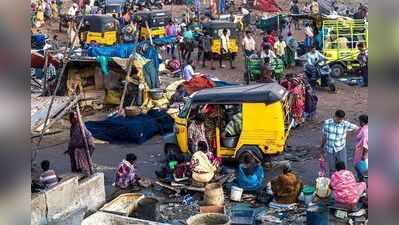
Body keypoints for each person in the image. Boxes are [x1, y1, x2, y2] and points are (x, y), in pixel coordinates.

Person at [321, 110, 359, 176]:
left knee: (343, 167)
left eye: (341, 119)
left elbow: (357, 128)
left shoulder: (345, 124)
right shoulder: (327, 123)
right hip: (330, 149)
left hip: (340, 148)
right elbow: (324, 135)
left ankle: (343, 182)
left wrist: (349, 135)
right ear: (335, 116)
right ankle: (334, 182)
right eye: (338, 119)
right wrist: (321, 146)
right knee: (332, 168)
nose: (339, 121)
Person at [66, 111, 95, 176]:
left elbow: (75, 139)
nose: (73, 120)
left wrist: (70, 147)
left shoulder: (79, 126)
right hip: (82, 144)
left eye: (74, 118)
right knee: (78, 157)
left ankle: (86, 173)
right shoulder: (73, 126)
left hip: (87, 144)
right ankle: (80, 171)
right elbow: (72, 138)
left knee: (83, 159)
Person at [354, 115, 368, 180]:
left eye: (359, 121)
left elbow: (365, 145)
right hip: (362, 151)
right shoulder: (365, 128)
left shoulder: (364, 131)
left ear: (362, 122)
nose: (359, 122)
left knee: (361, 168)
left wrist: (364, 155)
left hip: (361, 152)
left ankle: (363, 183)